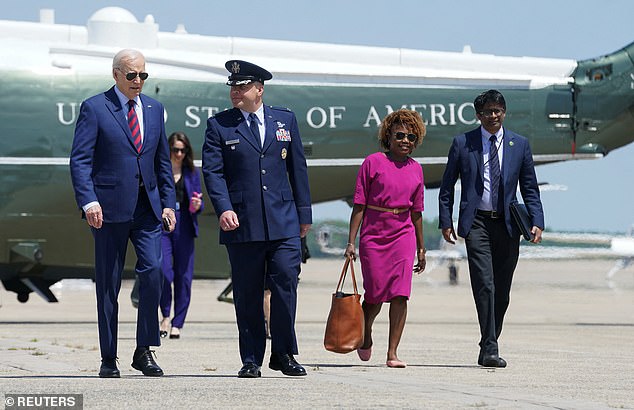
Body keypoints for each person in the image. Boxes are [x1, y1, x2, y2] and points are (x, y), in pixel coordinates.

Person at [202, 60, 312, 378]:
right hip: (242, 223)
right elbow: (213, 172)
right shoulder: (219, 125)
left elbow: (298, 169)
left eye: (242, 86)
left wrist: (304, 214)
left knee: (285, 285)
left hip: (284, 222)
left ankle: (283, 353)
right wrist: (223, 207)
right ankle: (251, 357)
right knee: (248, 293)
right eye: (233, 86)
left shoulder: (285, 120)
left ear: (259, 89)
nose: (235, 91)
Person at [70, 49, 176, 378]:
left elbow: (162, 163)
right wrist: (89, 202)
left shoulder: (155, 110)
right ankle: (108, 356)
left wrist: (169, 203)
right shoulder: (95, 107)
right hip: (108, 210)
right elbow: (80, 160)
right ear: (116, 74)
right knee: (108, 284)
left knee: (154, 271)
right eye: (132, 75)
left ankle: (143, 350)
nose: (138, 81)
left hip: (147, 210)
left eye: (143, 75)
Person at [438, 89, 544, 368]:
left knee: (502, 288)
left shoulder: (519, 144)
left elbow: (530, 187)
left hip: (509, 224)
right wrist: (446, 220)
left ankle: (489, 338)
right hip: (477, 223)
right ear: (478, 115)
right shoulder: (463, 143)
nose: (493, 116)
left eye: (497, 110)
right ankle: (490, 348)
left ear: (504, 112)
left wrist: (537, 221)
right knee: (484, 284)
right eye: (487, 112)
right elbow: (447, 185)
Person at [344, 109, 427, 368]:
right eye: (400, 135)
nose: (405, 140)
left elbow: (417, 213)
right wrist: (351, 242)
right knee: (375, 294)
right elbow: (359, 205)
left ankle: (392, 353)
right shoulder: (373, 162)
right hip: (374, 235)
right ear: (388, 136)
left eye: (411, 137)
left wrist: (422, 249)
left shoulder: (416, 169)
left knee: (401, 294)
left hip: (403, 234)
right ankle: (366, 334)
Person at [159, 132, 203, 340]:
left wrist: (197, 205)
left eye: (182, 150)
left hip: (184, 222)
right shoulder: (161, 169)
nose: (178, 154)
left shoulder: (192, 172)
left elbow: (197, 202)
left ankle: (177, 323)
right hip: (163, 223)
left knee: (184, 277)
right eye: (175, 149)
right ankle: (165, 315)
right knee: (164, 272)